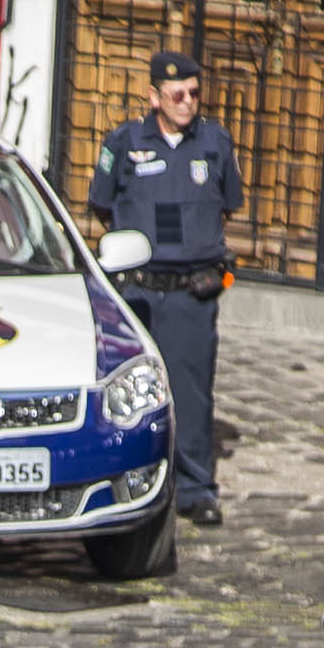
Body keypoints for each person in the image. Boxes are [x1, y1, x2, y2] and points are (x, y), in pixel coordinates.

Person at [89, 49, 241, 528]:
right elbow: (102, 204)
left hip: (190, 294)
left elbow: (229, 203)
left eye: (194, 93)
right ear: (153, 95)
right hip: (136, 293)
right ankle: (124, 480)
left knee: (193, 395)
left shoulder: (215, 143)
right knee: (126, 391)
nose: (187, 101)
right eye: (177, 93)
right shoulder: (125, 142)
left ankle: (195, 489)